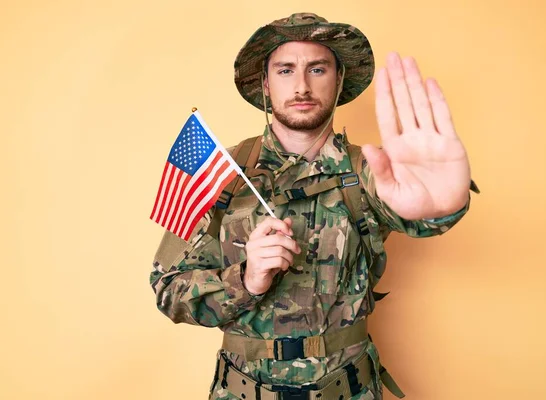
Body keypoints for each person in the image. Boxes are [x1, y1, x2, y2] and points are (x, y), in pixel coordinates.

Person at [150, 12, 478, 400]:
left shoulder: (370, 171)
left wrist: (443, 203)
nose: (302, 85)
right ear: (266, 84)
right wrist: (248, 279)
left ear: (338, 80)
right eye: (286, 70)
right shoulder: (222, 173)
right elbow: (169, 291)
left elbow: (416, 210)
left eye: (317, 69)